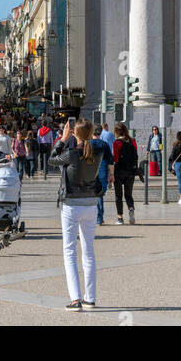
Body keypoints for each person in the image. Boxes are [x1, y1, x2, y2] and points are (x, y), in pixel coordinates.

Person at [51, 119, 112, 311]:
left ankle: (75, 299)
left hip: (71, 204)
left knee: (69, 251)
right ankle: (90, 298)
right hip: (90, 204)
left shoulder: (71, 154)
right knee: (88, 251)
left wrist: (62, 139)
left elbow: (51, 160)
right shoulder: (98, 152)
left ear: (75, 134)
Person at [112, 123, 138, 224]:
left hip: (119, 171)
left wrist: (112, 172)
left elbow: (116, 159)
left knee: (118, 195)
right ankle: (131, 209)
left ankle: (120, 218)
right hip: (130, 171)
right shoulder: (132, 141)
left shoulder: (117, 143)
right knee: (128, 194)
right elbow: (136, 155)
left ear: (117, 132)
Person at [92, 126, 110, 226]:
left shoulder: (88, 144)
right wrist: (111, 174)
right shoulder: (104, 144)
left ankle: (97, 217)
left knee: (93, 193)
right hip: (102, 169)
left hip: (91, 170)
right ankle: (100, 217)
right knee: (100, 194)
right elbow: (110, 160)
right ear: (99, 134)